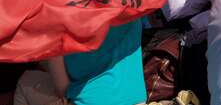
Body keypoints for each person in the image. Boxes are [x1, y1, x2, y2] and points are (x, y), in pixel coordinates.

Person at [14, 20, 146, 105]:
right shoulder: (133, 4)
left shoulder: (59, 19)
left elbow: (63, 89)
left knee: (26, 82)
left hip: (88, 100)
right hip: (136, 100)